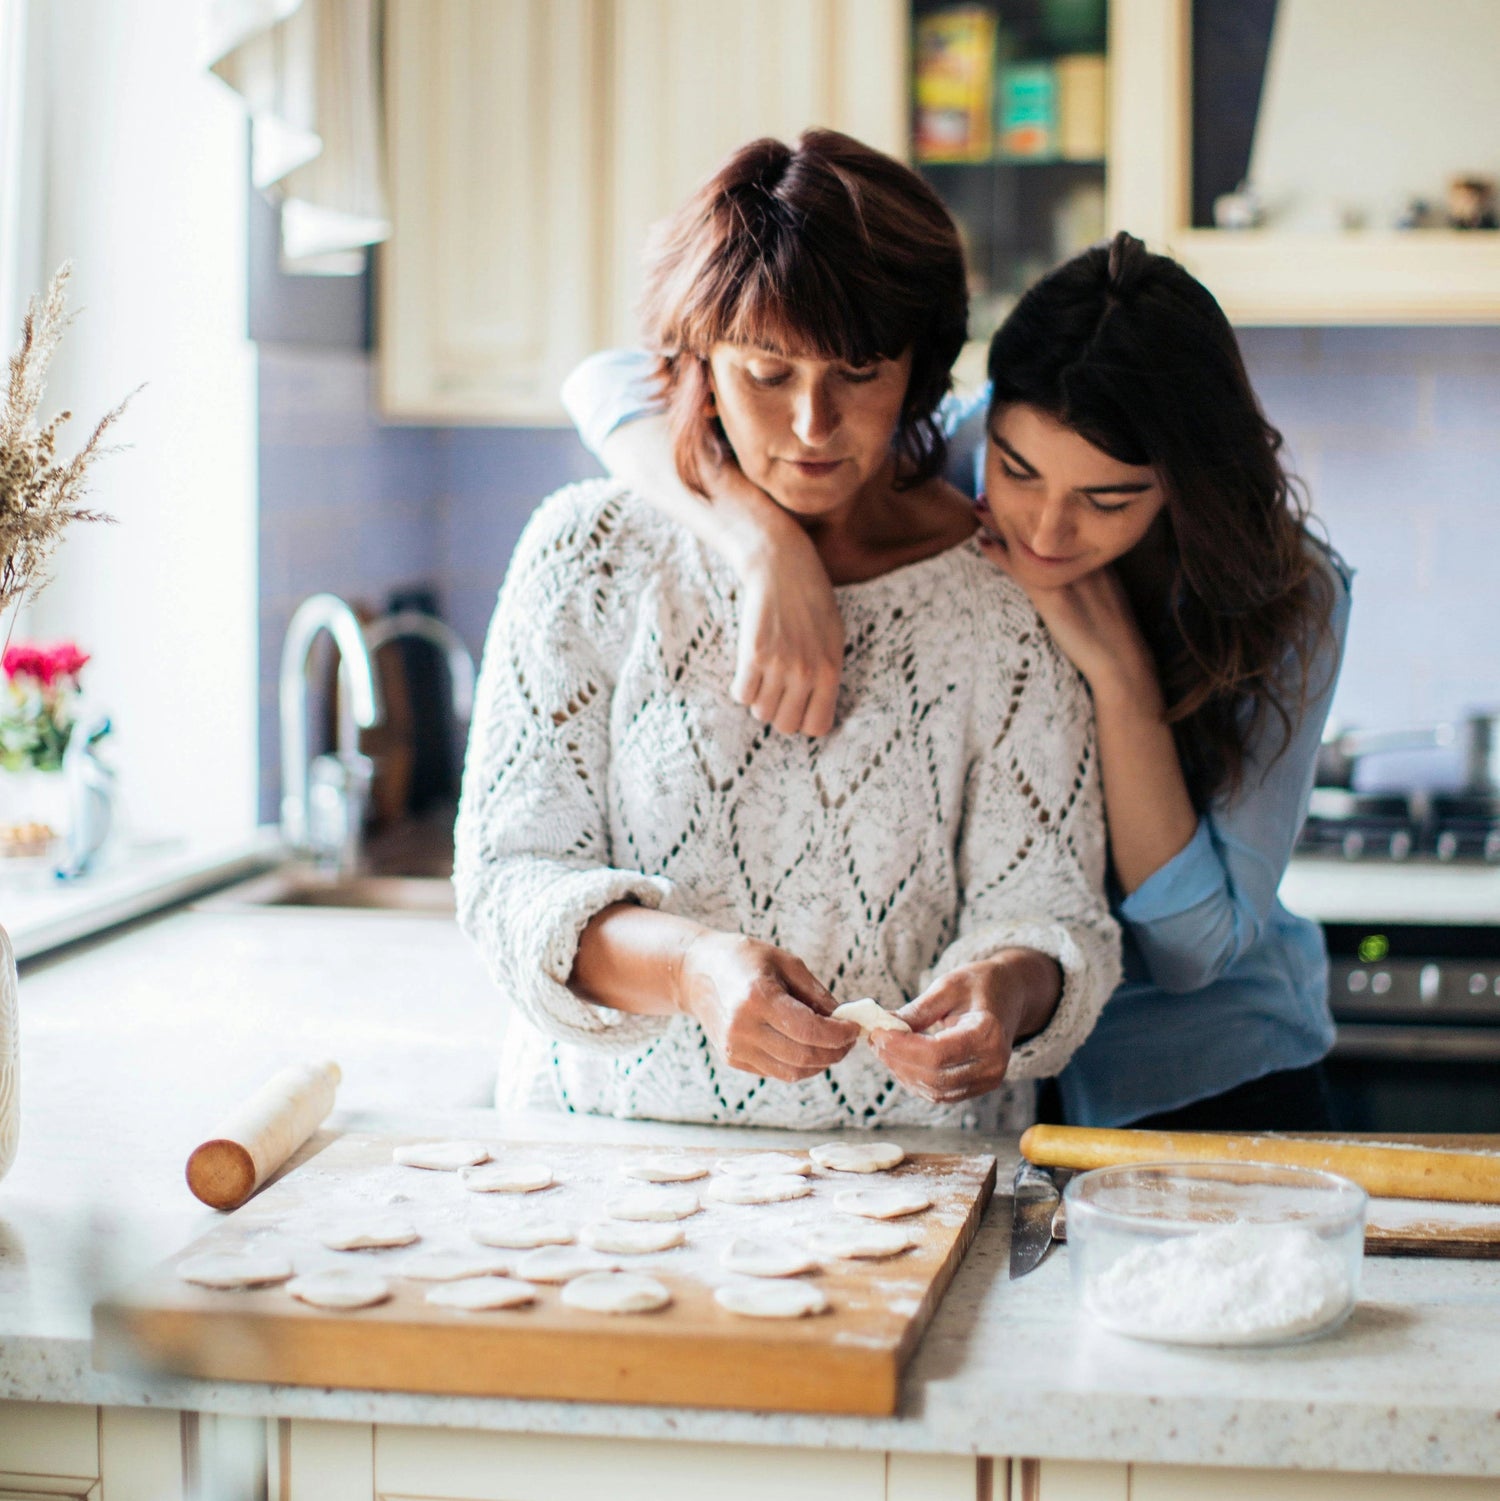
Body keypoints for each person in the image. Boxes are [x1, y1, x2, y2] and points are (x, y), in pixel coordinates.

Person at [562, 231, 1351, 1132]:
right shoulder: (947, 451)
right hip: (992, 1093)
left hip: (1198, 1074)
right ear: (989, 417)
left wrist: (1120, 678)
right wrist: (763, 547)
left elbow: (1193, 950)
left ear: (1181, 484)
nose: (1048, 529)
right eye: (1017, 471)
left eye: (1109, 499)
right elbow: (610, 384)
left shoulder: (1292, 594)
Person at [455, 130, 1121, 1130]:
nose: (815, 424)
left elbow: (1055, 911)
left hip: (917, 1179)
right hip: (604, 1172)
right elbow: (509, 882)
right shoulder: (588, 554)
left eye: (859, 370)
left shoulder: (1003, 596)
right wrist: (691, 970)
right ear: (698, 362)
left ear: (920, 368)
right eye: (768, 372)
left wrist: (1004, 992)